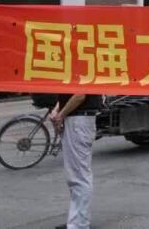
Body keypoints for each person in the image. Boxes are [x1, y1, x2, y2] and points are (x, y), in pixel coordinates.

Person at [50, 93, 102, 229]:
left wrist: (60, 115)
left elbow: (80, 95)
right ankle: (76, 220)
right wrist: (57, 110)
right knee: (75, 176)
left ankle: (79, 224)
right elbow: (68, 95)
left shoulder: (83, 78)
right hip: (75, 119)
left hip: (78, 120)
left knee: (79, 176)